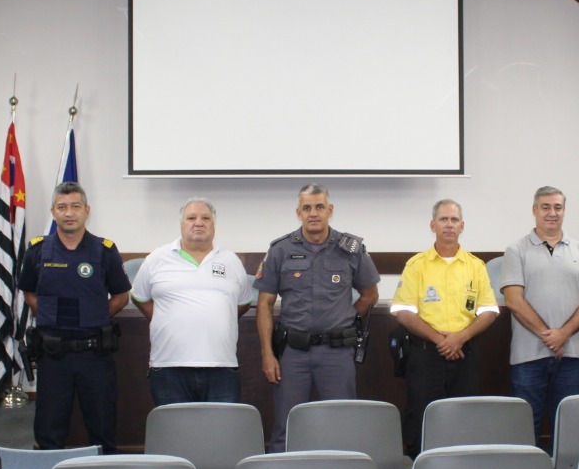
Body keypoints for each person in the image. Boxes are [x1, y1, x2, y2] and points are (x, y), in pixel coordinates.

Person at [255, 184, 380, 451]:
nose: (314, 213)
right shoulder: (280, 250)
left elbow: (370, 295)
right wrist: (268, 355)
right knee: (286, 428)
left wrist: (345, 318)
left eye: (319, 207)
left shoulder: (351, 248)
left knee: (342, 425)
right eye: (307, 208)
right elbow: (265, 304)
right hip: (293, 354)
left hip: (337, 353)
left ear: (330, 211)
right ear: (298, 212)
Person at [19, 183, 131, 453]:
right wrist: (51, 316)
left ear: (86, 211)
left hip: (95, 355)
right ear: (53, 212)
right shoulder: (37, 250)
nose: (69, 213)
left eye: (75, 206)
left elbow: (121, 296)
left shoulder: (104, 250)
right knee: (49, 429)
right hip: (53, 356)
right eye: (62, 207)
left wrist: (91, 316)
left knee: (102, 427)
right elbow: (29, 293)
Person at [391, 199, 500, 457]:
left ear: (462, 226)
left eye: (453, 220)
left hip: (465, 356)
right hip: (425, 356)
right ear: (433, 225)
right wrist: (442, 340)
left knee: (465, 420)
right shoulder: (416, 265)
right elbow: (403, 311)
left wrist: (460, 338)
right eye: (443, 219)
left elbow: (489, 311)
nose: (448, 225)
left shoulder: (476, 266)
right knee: (422, 420)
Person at [500, 186, 579, 448]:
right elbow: (513, 300)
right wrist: (550, 336)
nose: (552, 213)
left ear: (564, 211)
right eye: (545, 207)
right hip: (527, 357)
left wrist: (562, 335)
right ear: (534, 210)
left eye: (558, 207)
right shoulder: (515, 250)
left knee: (568, 428)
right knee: (524, 427)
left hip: (570, 356)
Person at [131, 198, 253, 406]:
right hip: (168, 366)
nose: (198, 222)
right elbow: (139, 297)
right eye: (191, 218)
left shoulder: (231, 261)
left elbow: (243, 303)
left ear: (214, 225)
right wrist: (164, 316)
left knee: (221, 435)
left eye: (205, 218)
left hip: (221, 367)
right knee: (175, 435)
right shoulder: (157, 259)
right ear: (182, 224)